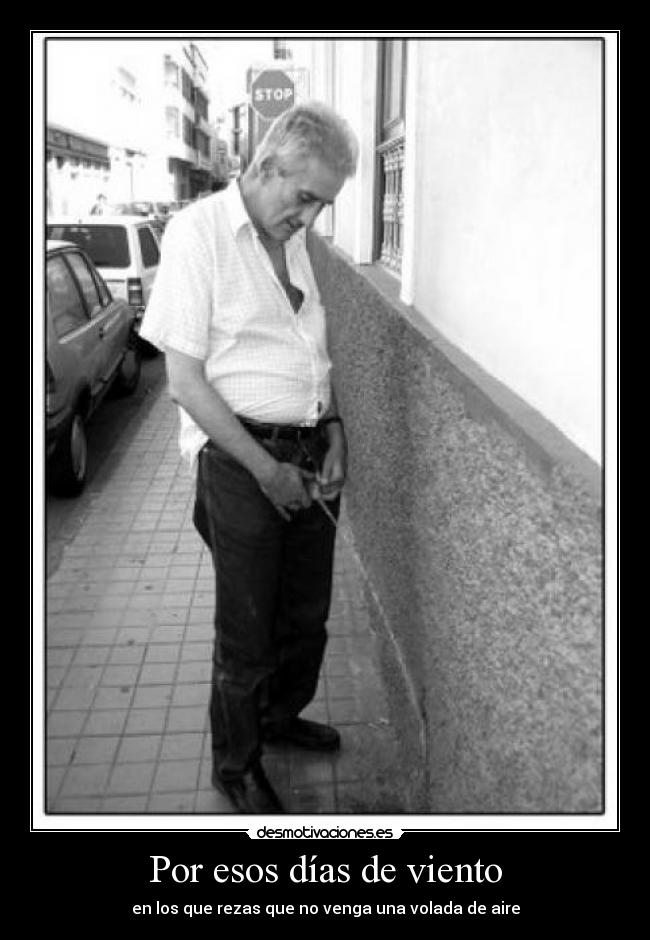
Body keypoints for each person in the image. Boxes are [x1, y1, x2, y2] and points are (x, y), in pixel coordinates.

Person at [139, 101, 359, 813]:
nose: (311, 218)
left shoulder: (290, 239)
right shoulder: (197, 234)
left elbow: (309, 353)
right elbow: (183, 381)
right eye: (305, 198)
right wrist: (266, 472)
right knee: (247, 632)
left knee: (306, 616)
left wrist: (333, 427)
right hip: (241, 465)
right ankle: (235, 765)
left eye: (323, 206)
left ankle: (278, 719)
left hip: (305, 454)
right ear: (266, 166)